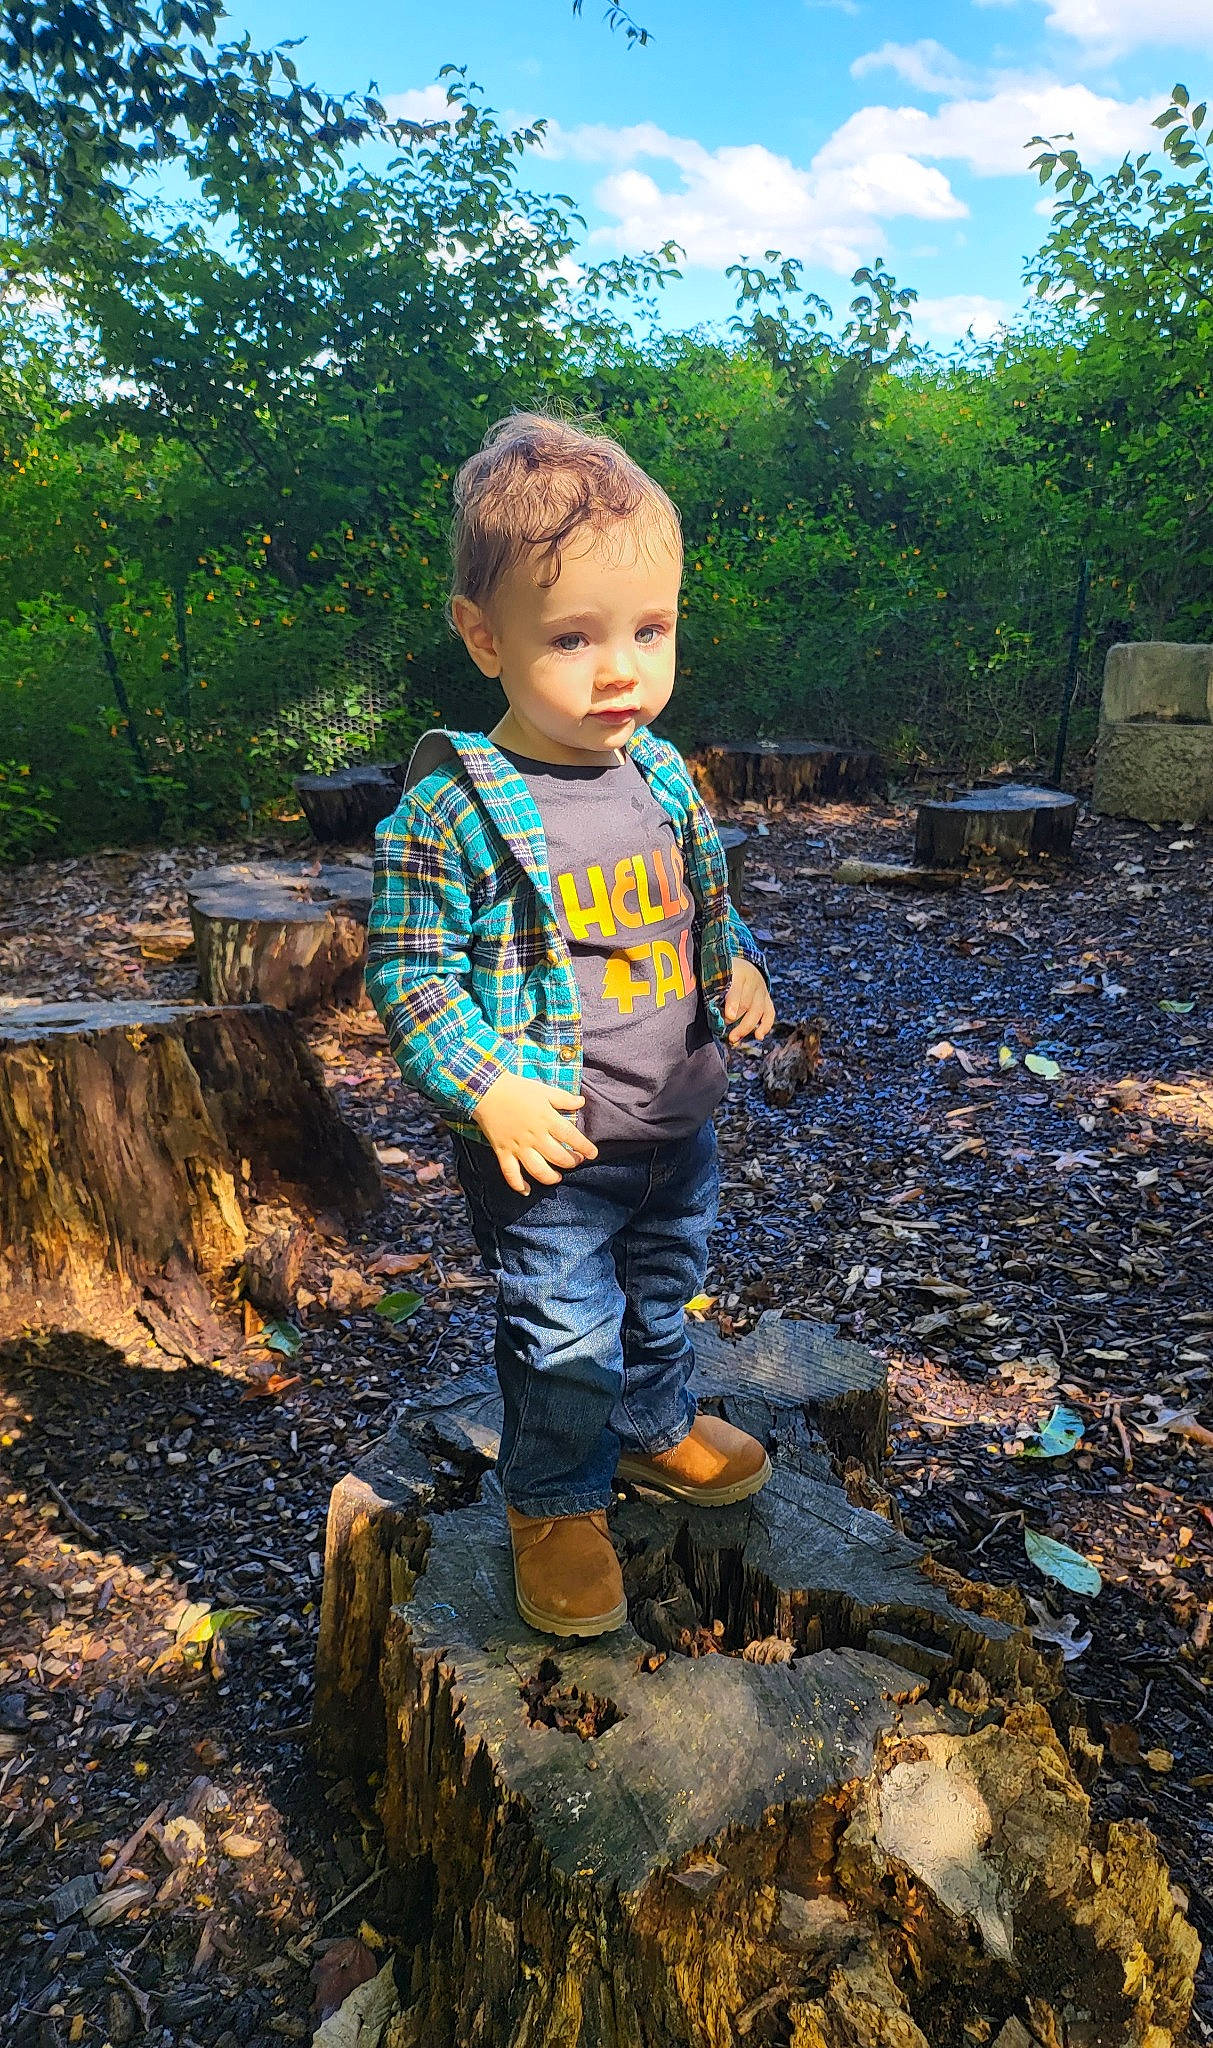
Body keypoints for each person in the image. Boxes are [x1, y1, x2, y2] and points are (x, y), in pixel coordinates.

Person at [365, 410, 777, 1639]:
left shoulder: (655, 770)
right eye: (574, 638)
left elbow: (700, 904)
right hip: (551, 1146)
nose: (621, 671)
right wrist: (484, 1086)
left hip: (675, 1117)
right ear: (483, 637)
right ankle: (552, 1495)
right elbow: (413, 977)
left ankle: (651, 1430)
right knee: (560, 1325)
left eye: (649, 630)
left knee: (663, 1287)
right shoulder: (450, 807)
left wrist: (739, 968)